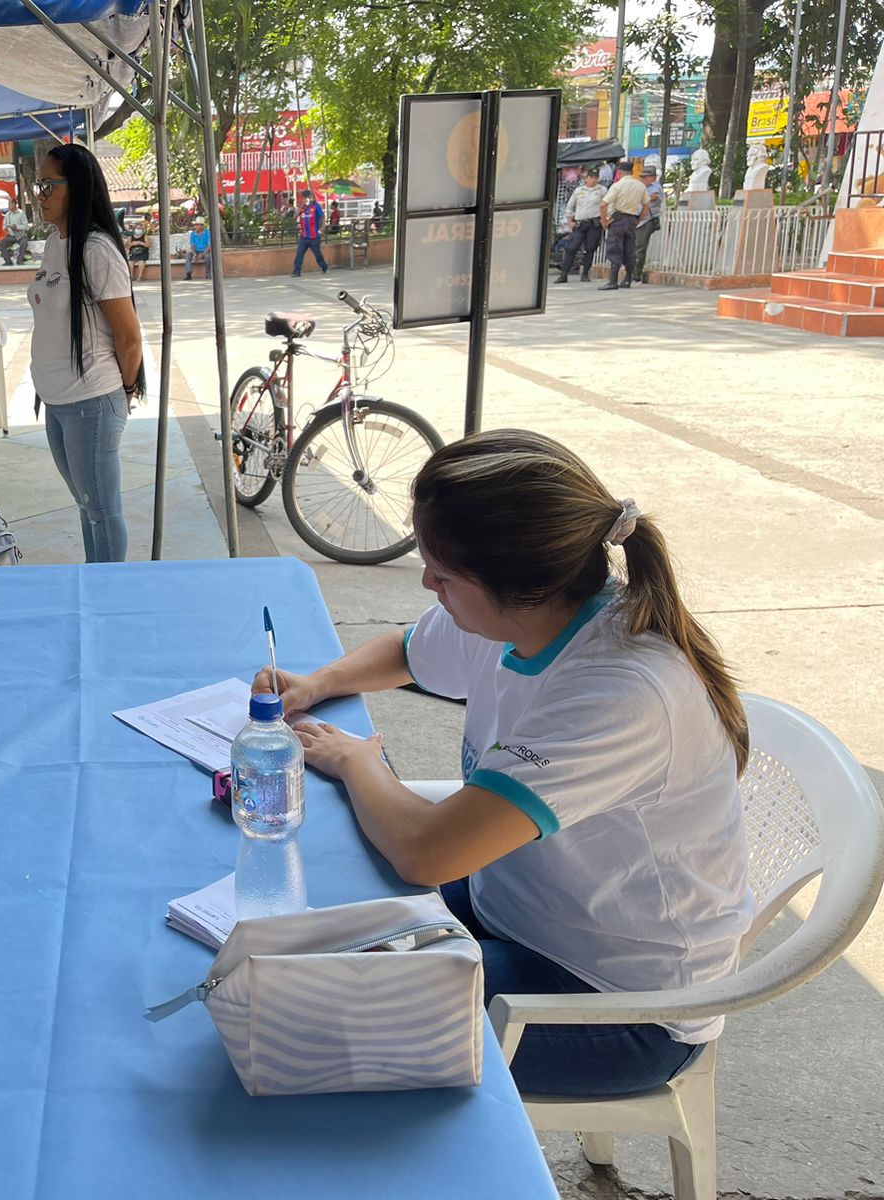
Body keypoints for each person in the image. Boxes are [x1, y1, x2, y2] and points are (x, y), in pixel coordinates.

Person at [254, 428, 751, 1097]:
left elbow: (428, 853)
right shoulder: (529, 615)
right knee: (312, 923)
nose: (427, 581)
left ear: (523, 583)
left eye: (443, 573)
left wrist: (355, 761)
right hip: (519, 904)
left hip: (617, 1003)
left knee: (306, 1022)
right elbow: (407, 651)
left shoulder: (621, 691)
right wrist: (320, 683)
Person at [27, 144, 143, 565]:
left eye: (47, 185)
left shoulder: (95, 250)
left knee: (102, 510)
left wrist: (127, 390)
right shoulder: (56, 243)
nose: (39, 193)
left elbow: (129, 338)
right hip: (57, 403)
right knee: (86, 505)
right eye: (37, 184)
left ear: (76, 187)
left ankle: (109, 599)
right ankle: (96, 586)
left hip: (91, 401)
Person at [599, 164, 649, 291]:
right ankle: (627, 280)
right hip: (632, 219)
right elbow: (646, 206)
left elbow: (603, 205)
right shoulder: (640, 185)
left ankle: (613, 281)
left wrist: (604, 220)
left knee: (615, 248)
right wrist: (638, 220)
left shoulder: (617, 186)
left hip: (617, 220)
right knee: (630, 249)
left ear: (620, 172)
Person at [554, 168, 606, 285]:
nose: (593, 180)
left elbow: (606, 206)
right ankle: (563, 275)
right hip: (580, 223)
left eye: (595, 178)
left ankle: (585, 274)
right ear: (586, 178)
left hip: (594, 223)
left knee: (590, 248)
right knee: (572, 248)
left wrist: (604, 220)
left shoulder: (602, 190)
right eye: (591, 177)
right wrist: (569, 221)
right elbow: (570, 207)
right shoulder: (579, 190)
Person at [634, 162, 665, 284]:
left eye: (645, 177)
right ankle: (632, 272)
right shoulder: (642, 187)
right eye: (641, 177)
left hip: (647, 220)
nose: (642, 179)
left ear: (652, 178)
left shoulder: (655, 187)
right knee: (634, 247)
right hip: (638, 219)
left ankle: (636, 275)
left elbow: (654, 197)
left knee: (640, 248)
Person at [292, 190, 329, 276]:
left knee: (317, 254)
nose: (304, 198)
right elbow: (294, 218)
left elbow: (322, 217)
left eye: (306, 196)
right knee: (299, 254)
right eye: (303, 197)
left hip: (314, 236)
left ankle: (324, 267)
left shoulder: (316, 206)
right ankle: (297, 271)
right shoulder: (302, 207)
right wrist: (301, 206)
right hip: (304, 236)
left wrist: (322, 227)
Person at [183, 216, 211, 281]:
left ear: (202, 226)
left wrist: (202, 254)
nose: (196, 226)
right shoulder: (193, 234)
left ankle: (208, 273)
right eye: (196, 225)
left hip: (205, 251)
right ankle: (188, 274)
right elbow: (192, 245)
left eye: (198, 225)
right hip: (196, 251)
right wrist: (194, 253)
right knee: (188, 255)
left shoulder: (207, 233)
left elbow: (209, 246)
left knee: (208, 257)